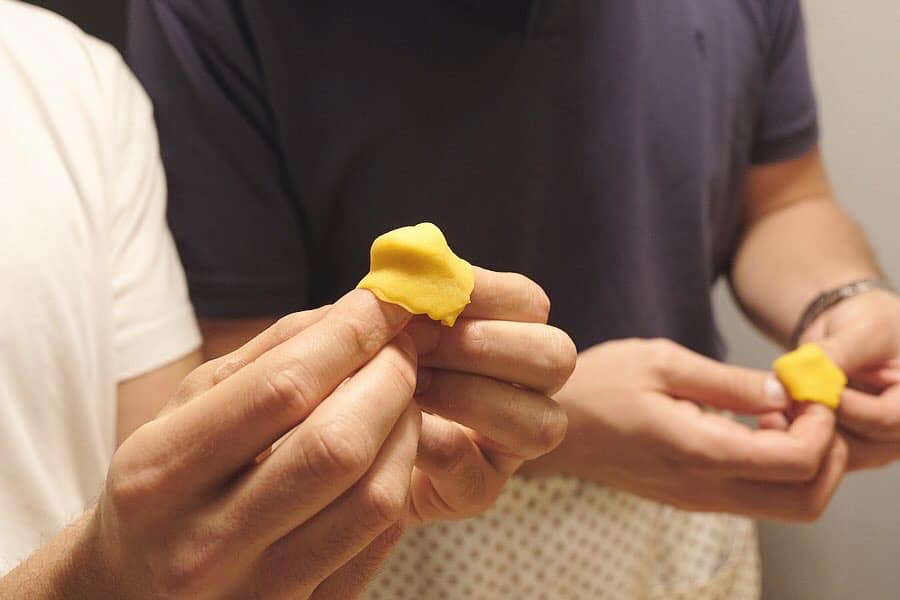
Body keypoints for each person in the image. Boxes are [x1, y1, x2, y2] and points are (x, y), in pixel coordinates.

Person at [128, 1, 900, 598]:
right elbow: (237, 378)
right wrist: (555, 425)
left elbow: (785, 197)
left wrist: (844, 299)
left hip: (685, 532)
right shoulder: (217, 17)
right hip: (395, 532)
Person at [0, 2, 573, 597]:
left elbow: (167, 475)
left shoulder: (76, 79)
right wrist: (93, 582)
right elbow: (143, 545)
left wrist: (296, 500)